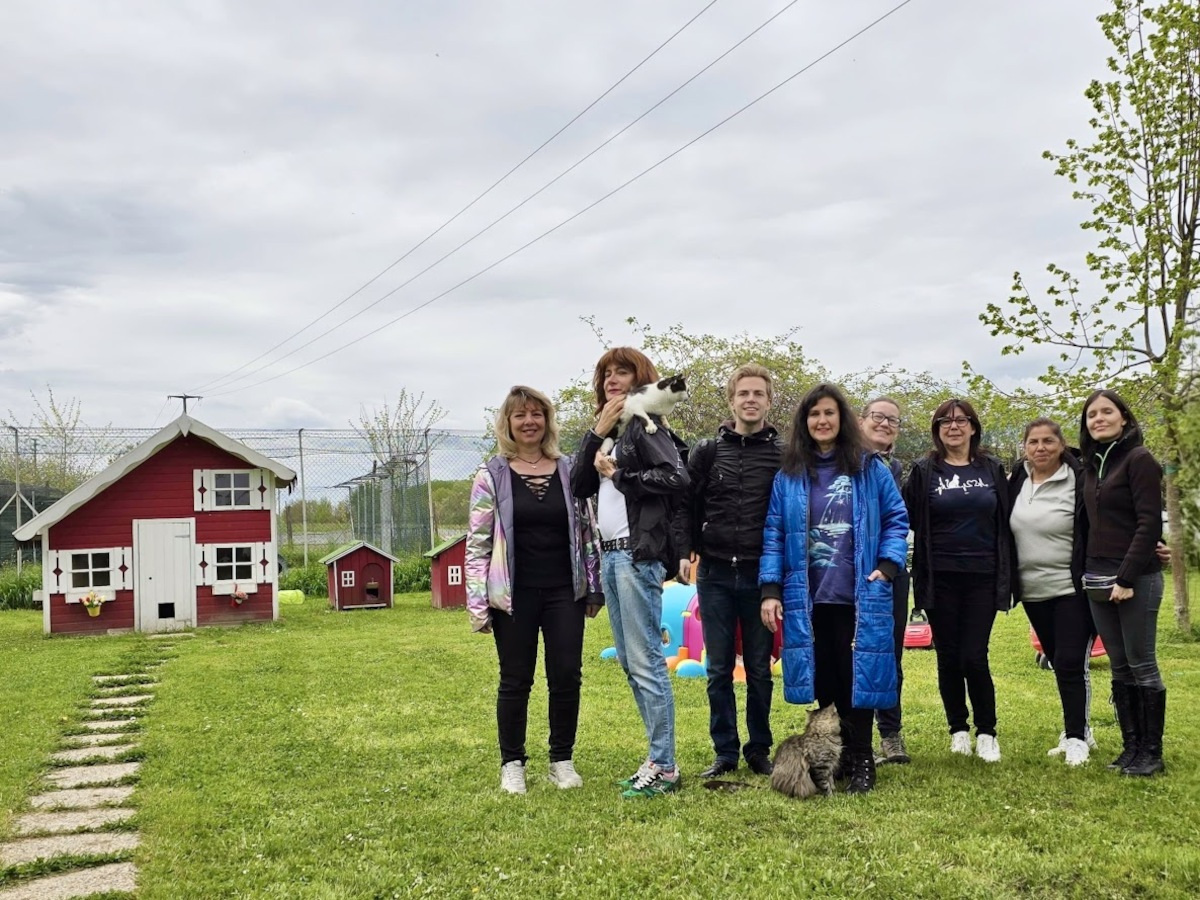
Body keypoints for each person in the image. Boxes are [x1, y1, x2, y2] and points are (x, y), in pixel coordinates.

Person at [759, 383, 909, 794]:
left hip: (859, 593)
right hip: (807, 595)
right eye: (814, 415)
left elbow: (896, 518)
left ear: (841, 419)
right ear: (804, 423)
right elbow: (774, 532)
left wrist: (887, 565)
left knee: (857, 677)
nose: (821, 421)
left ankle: (862, 759)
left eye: (829, 413)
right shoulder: (788, 476)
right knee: (823, 677)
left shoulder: (869, 467)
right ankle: (835, 755)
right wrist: (770, 587)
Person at [466, 386, 604, 795]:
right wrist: (478, 603)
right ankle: (512, 763)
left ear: (547, 420)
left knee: (566, 676)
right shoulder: (490, 475)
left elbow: (588, 531)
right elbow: (477, 543)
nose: (529, 422)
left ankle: (562, 759)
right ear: (507, 423)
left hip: (564, 591)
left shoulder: (570, 469)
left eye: (536, 414)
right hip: (514, 595)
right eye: (520, 415)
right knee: (515, 679)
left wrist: (592, 587)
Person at [571, 348, 689, 798]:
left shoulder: (643, 427)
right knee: (629, 661)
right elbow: (579, 485)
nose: (611, 380)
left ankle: (664, 766)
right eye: (605, 374)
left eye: (622, 372)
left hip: (637, 556)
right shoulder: (614, 432)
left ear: (641, 380)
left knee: (645, 662)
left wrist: (620, 475)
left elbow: (676, 477)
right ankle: (658, 759)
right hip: (611, 556)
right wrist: (594, 433)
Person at [674, 364, 781, 779]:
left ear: (768, 401)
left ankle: (758, 749)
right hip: (715, 573)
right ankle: (725, 752)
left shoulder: (782, 455)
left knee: (758, 667)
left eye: (758, 393)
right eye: (743, 393)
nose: (750, 399)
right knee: (718, 668)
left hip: (760, 575)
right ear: (731, 400)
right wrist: (685, 549)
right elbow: (686, 503)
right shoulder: (707, 451)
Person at [903, 398, 1012, 762]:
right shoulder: (923, 471)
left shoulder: (992, 469)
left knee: (974, 656)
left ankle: (987, 731)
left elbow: (1011, 520)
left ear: (973, 427)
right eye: (944, 422)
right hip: (939, 578)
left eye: (960, 420)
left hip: (983, 576)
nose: (953, 427)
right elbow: (902, 518)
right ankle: (958, 729)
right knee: (948, 657)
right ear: (936, 430)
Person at [1077, 389, 1166, 777]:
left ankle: (1151, 752)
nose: (1098, 419)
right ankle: (1130, 748)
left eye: (1106, 412)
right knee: (1118, 666)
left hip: (1135, 580)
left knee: (1142, 664)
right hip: (1097, 578)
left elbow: (1149, 523)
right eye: (1091, 414)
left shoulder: (1140, 459)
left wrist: (1128, 576)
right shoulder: (1091, 464)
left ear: (1124, 418)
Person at [1008, 417, 1097, 766]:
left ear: (1062, 444)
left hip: (1071, 588)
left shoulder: (1079, 477)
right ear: (1025, 447)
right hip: (1033, 591)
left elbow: (1107, 519)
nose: (1041, 448)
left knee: (1072, 662)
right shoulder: (1018, 479)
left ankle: (1075, 737)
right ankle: (1080, 728)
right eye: (1033, 442)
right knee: (1059, 662)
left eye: (1048, 441)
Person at [859, 397, 913, 766]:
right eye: (878, 416)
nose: (885, 423)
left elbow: (899, 521)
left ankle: (890, 736)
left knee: (889, 655)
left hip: (890, 572)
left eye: (893, 419)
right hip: (844, 572)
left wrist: (890, 565)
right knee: (841, 653)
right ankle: (842, 734)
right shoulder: (841, 463)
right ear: (862, 420)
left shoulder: (894, 468)